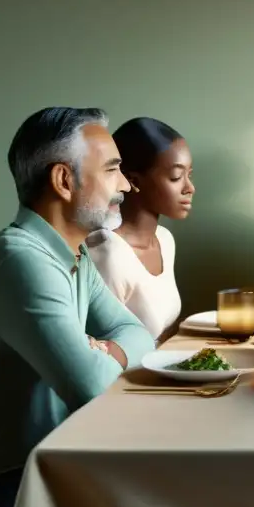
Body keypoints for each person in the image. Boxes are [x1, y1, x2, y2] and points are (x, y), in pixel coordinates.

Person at [0, 107, 155, 507]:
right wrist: (101, 359)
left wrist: (107, 351)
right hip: (2, 496)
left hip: (56, 459)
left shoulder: (71, 254)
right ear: (64, 180)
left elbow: (140, 334)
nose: (126, 185)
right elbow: (94, 388)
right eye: (113, 169)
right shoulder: (23, 262)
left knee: (176, 486)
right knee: (167, 504)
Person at [87, 117, 194, 340]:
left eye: (189, 175)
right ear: (132, 180)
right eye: (176, 177)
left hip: (160, 369)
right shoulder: (108, 253)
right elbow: (100, 348)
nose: (189, 188)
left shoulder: (164, 240)